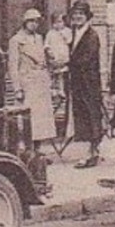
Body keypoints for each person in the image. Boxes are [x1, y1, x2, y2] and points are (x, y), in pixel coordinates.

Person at [6, 8, 57, 153]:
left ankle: (39, 150)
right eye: (31, 21)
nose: (34, 24)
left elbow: (45, 61)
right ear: (25, 22)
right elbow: (13, 66)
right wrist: (17, 89)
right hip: (27, 83)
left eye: (37, 21)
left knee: (42, 121)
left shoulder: (40, 38)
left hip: (41, 82)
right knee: (29, 120)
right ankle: (29, 151)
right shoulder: (16, 41)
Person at [64, 2, 107, 167]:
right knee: (83, 116)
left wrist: (67, 63)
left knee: (91, 115)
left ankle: (92, 153)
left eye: (81, 14)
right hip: (78, 82)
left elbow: (86, 58)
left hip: (88, 82)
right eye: (74, 14)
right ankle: (91, 152)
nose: (77, 17)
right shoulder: (75, 33)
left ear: (87, 17)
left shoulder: (91, 35)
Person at [42, 8, 73, 152]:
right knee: (56, 77)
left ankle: (62, 92)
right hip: (55, 62)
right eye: (55, 22)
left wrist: (64, 36)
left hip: (65, 61)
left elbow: (70, 43)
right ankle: (58, 92)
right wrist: (50, 55)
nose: (58, 25)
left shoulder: (67, 31)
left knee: (63, 78)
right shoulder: (50, 34)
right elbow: (47, 46)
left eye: (60, 22)